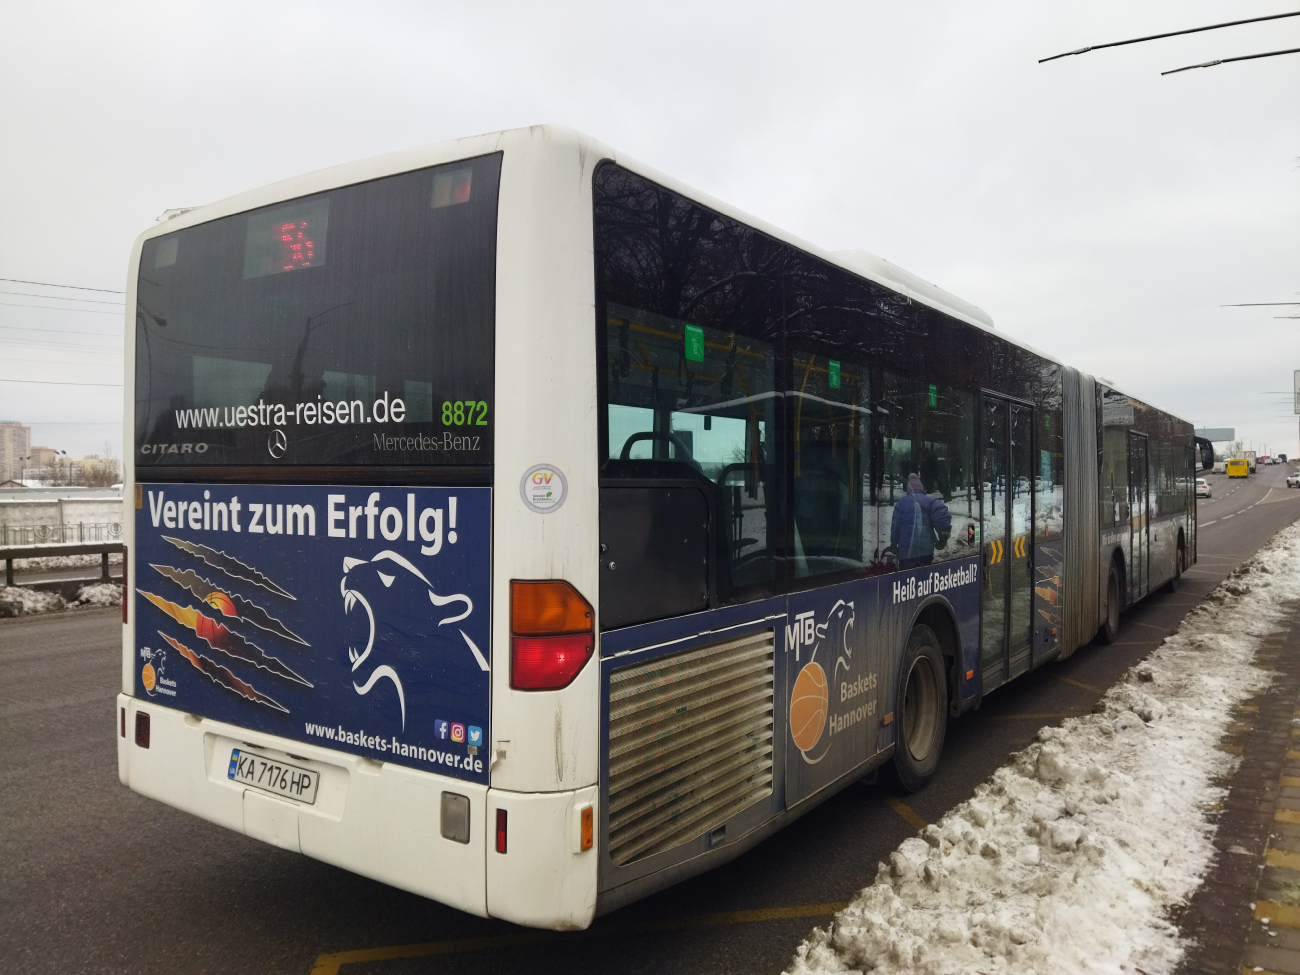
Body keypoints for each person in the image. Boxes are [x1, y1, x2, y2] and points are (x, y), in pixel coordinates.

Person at [890, 473, 952, 569]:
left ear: (909, 488)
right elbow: (943, 519)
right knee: (924, 574)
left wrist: (894, 543)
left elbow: (895, 526)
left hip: (907, 551)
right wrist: (942, 540)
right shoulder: (930, 501)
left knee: (907, 575)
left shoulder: (901, 503)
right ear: (921, 488)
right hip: (925, 550)